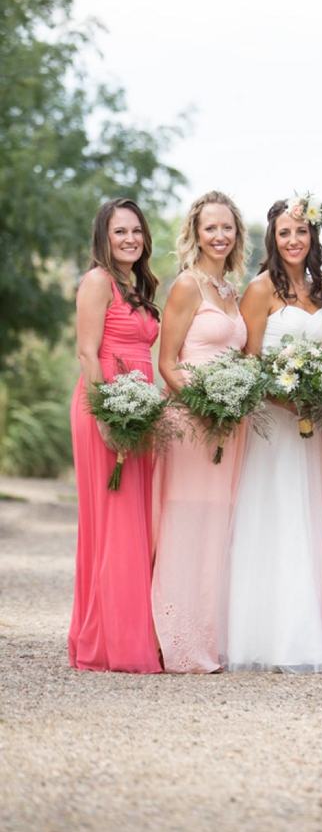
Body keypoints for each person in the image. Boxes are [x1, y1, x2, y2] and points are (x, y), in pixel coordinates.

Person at [225, 196, 322, 673]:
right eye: (284, 233)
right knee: (274, 517)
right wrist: (288, 399)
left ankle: (311, 635)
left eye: (301, 231)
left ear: (313, 236)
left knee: (312, 518)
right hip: (275, 423)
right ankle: (269, 638)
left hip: (315, 425)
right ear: (272, 239)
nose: (294, 240)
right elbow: (249, 363)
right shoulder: (259, 290)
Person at [151, 191, 248, 673]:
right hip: (191, 421)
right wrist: (204, 406)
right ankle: (178, 640)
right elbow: (167, 362)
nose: (219, 235)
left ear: (237, 234)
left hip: (231, 424)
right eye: (210, 227)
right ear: (196, 232)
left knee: (217, 525)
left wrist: (232, 406)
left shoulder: (232, 291)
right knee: (185, 520)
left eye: (226, 227)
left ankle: (209, 635)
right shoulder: (186, 286)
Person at [69, 198, 162, 673]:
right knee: (114, 520)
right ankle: (110, 642)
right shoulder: (97, 281)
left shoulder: (139, 285)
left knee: (135, 521)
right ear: (103, 238)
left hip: (138, 408)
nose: (130, 239)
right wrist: (106, 416)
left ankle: (127, 630)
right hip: (105, 405)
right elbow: (87, 353)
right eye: (119, 232)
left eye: (136, 231)